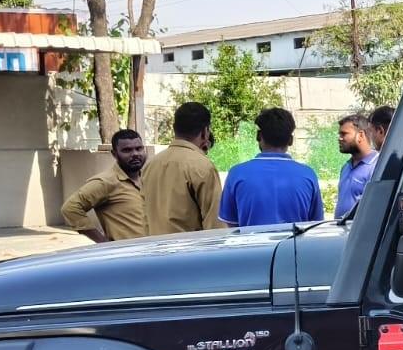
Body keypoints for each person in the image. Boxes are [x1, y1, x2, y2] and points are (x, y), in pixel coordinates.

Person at [218, 107, 324, 228]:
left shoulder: (237, 174)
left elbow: (231, 224)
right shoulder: (307, 175)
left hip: (251, 246)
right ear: (290, 140)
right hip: (294, 247)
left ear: (258, 136)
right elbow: (315, 224)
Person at [143, 101, 222, 234]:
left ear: (174, 128)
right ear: (205, 131)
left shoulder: (151, 165)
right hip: (189, 252)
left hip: (153, 250)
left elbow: (144, 217)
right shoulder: (202, 166)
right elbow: (214, 225)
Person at [60, 129, 149, 243]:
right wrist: (102, 243)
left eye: (139, 148)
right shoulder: (106, 182)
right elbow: (70, 208)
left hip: (154, 251)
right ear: (114, 154)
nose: (135, 154)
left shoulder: (148, 178)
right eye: (127, 150)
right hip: (128, 255)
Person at [334, 113, 379, 220]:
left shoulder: (376, 166)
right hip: (342, 233)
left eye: (344, 134)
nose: (339, 138)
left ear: (361, 135)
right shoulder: (346, 167)